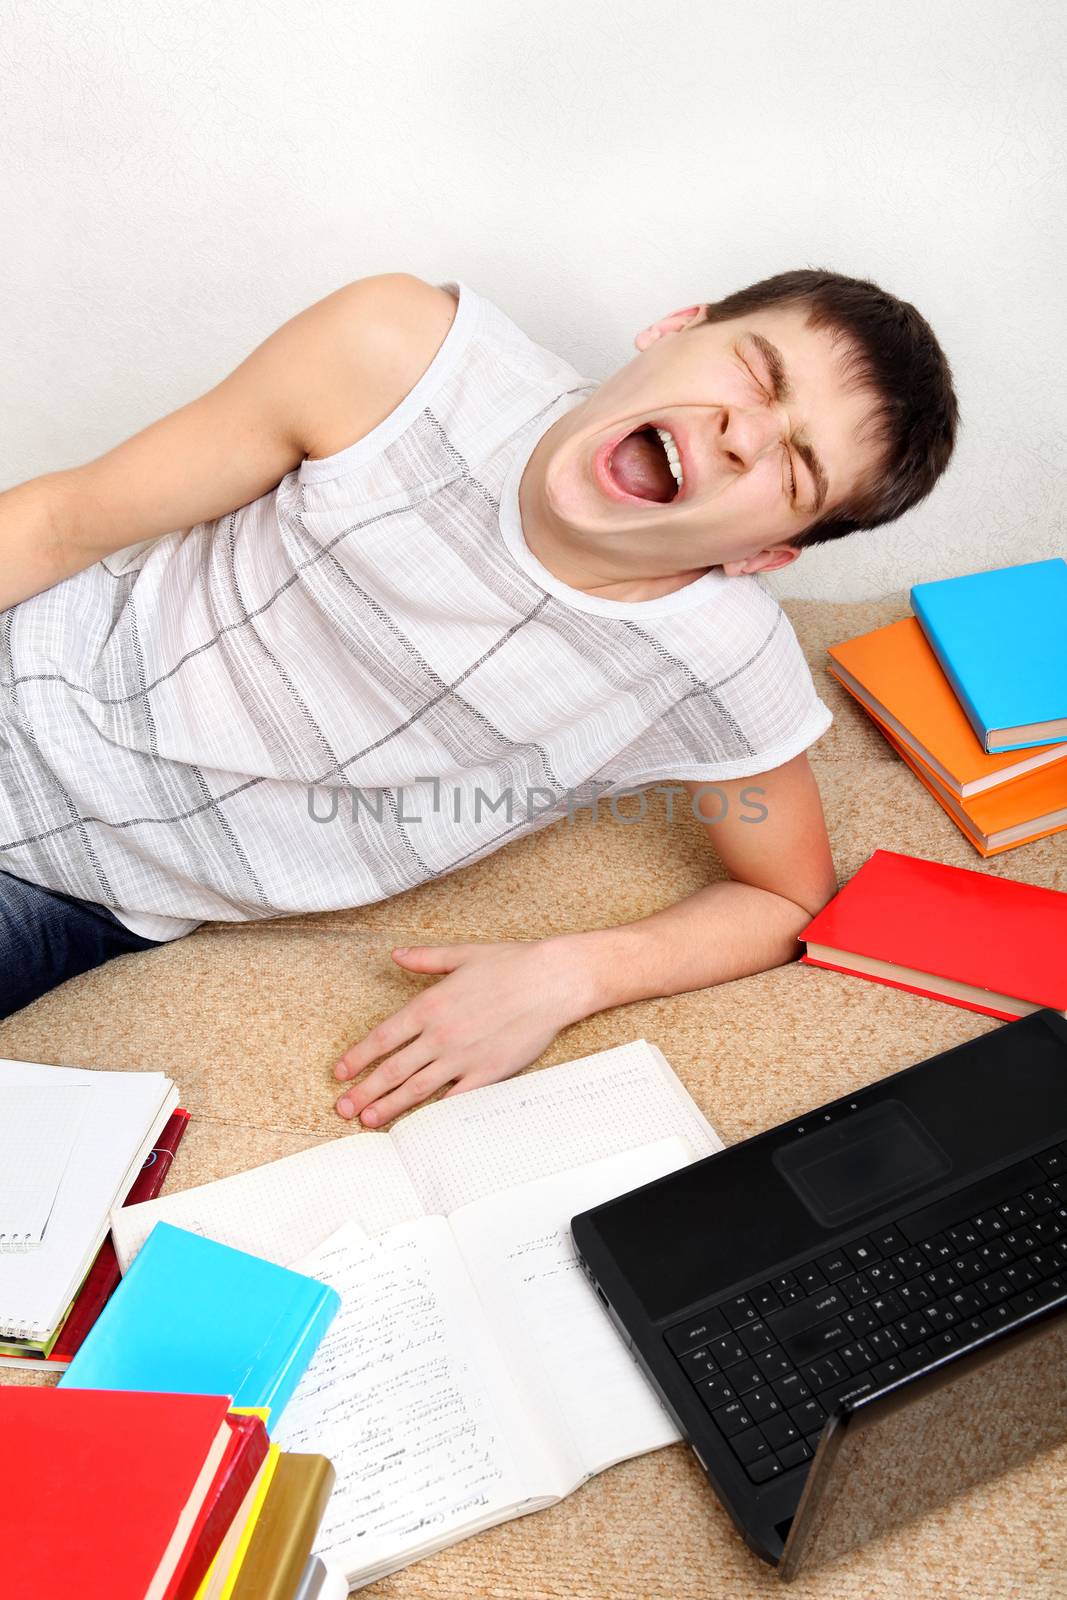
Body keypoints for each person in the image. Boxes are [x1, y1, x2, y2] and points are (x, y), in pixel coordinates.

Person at [0, 267, 958, 1123]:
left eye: (794, 468)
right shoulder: (397, 356)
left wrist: (565, 975)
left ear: (759, 556)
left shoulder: (718, 662)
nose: (743, 436)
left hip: (68, 888)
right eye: (754, 375)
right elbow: (59, 523)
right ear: (673, 328)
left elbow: (786, 897)